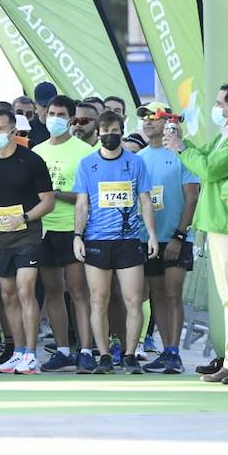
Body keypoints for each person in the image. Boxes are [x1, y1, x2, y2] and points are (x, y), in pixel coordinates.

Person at [169, 84, 228, 384]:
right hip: (216, 224)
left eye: (219, 103)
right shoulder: (226, 134)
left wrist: (182, 148)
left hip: (227, 224)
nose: (216, 109)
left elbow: (209, 169)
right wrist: (182, 143)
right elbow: (202, 154)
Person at [72, 111, 158, 374]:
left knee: (133, 300)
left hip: (128, 240)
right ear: (97, 133)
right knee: (99, 299)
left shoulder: (135, 163)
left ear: (122, 131)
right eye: (105, 130)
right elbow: (82, 203)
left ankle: (130, 354)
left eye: (114, 130)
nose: (109, 135)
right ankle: (105, 356)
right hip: (97, 240)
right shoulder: (87, 164)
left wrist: (151, 234)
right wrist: (77, 235)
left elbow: (145, 200)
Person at [0, 104, 55, 375]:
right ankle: (18, 351)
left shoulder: (31, 160)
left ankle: (31, 354)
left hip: (28, 234)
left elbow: (48, 201)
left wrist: (26, 218)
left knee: (25, 290)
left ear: (13, 130)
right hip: (0, 236)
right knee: (7, 295)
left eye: (0, 129)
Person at [31, 95, 95, 371]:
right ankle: (63, 349)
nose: (53, 118)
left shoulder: (84, 152)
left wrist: (56, 194)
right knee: (53, 291)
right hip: (44, 229)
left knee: (79, 291)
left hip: (73, 228)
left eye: (60, 114)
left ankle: (87, 350)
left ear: (70, 118)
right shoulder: (38, 151)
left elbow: (88, 195)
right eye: (50, 113)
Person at [136, 102, 200, 375]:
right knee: (157, 295)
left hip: (176, 236)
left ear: (168, 122)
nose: (148, 122)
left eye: (154, 117)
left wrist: (179, 235)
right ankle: (166, 351)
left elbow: (192, 196)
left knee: (173, 294)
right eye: (144, 118)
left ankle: (174, 352)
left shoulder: (182, 153)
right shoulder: (139, 157)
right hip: (147, 237)